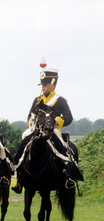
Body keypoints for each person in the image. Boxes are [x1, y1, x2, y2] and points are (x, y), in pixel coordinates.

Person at [12, 65, 82, 193]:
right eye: (42, 85)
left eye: (45, 85)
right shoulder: (37, 100)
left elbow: (68, 117)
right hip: (37, 129)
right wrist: (31, 121)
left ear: (53, 85)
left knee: (62, 150)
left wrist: (56, 121)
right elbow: (30, 114)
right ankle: (18, 175)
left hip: (53, 130)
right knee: (23, 145)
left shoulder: (59, 100)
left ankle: (68, 177)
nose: (43, 87)